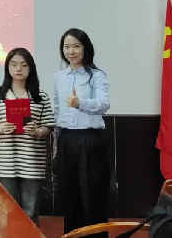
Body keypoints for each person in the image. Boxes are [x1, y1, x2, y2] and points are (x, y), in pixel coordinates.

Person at [0, 48, 55, 225]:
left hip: (32, 162)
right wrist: (1, 128)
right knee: (7, 211)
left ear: (31, 68)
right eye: (14, 64)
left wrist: (37, 131)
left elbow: (48, 126)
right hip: (5, 162)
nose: (18, 69)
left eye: (24, 65)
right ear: (7, 67)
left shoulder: (40, 96)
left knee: (30, 213)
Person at [54, 28, 110, 237]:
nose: (71, 51)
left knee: (92, 195)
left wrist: (81, 103)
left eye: (76, 46)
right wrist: (56, 145)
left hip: (90, 139)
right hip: (66, 139)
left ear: (85, 48)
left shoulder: (96, 76)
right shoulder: (59, 77)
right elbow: (57, 110)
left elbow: (104, 104)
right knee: (69, 195)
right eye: (67, 47)